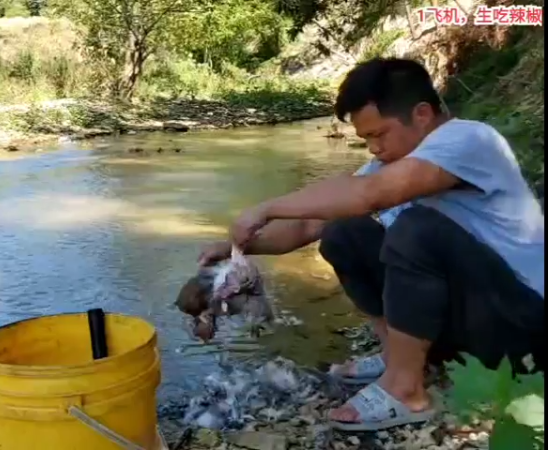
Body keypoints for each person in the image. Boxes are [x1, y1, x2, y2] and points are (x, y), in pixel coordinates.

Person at [197, 57, 545, 432]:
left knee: (417, 230)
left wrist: (265, 207)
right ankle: (399, 358)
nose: (374, 149)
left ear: (423, 113)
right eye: (366, 140)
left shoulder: (469, 139)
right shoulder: (395, 163)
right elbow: (309, 223)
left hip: (521, 327)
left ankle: (406, 391)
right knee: (345, 232)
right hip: (473, 319)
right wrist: (236, 248)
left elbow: (370, 196)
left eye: (380, 134)